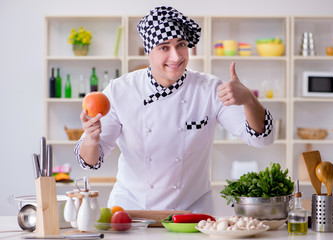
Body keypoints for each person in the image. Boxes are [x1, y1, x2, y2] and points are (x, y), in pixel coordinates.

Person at [74, 6, 274, 213]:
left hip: (193, 212)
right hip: (130, 211)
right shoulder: (119, 91)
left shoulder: (210, 89)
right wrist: (91, 138)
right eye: (164, 47)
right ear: (148, 52)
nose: (176, 56)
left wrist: (249, 100)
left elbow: (262, 139)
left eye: (181, 45)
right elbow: (89, 163)